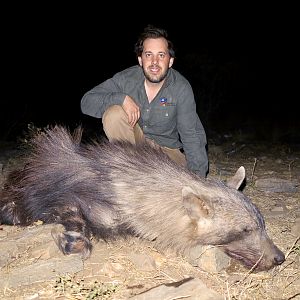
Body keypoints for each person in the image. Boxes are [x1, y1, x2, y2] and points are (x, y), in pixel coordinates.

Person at [81, 25, 209, 177]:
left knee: (174, 183)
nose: (154, 62)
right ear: (140, 60)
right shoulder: (126, 79)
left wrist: (198, 178)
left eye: (161, 55)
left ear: (170, 61)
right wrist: (121, 99)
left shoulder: (181, 88)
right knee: (114, 114)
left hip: (167, 155)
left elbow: (191, 135)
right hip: (133, 151)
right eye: (149, 55)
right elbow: (87, 102)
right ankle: (127, 173)